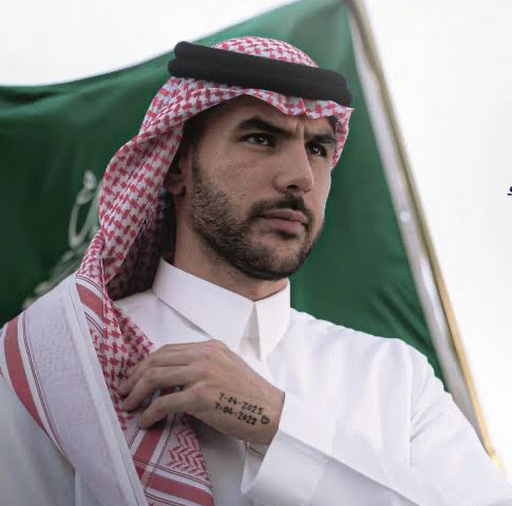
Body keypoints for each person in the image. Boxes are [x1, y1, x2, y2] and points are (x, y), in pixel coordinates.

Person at [0, 37, 511, 506]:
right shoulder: (60, 356)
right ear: (176, 165)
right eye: (261, 138)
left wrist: (276, 425)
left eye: (317, 149)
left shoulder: (395, 378)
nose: (299, 177)